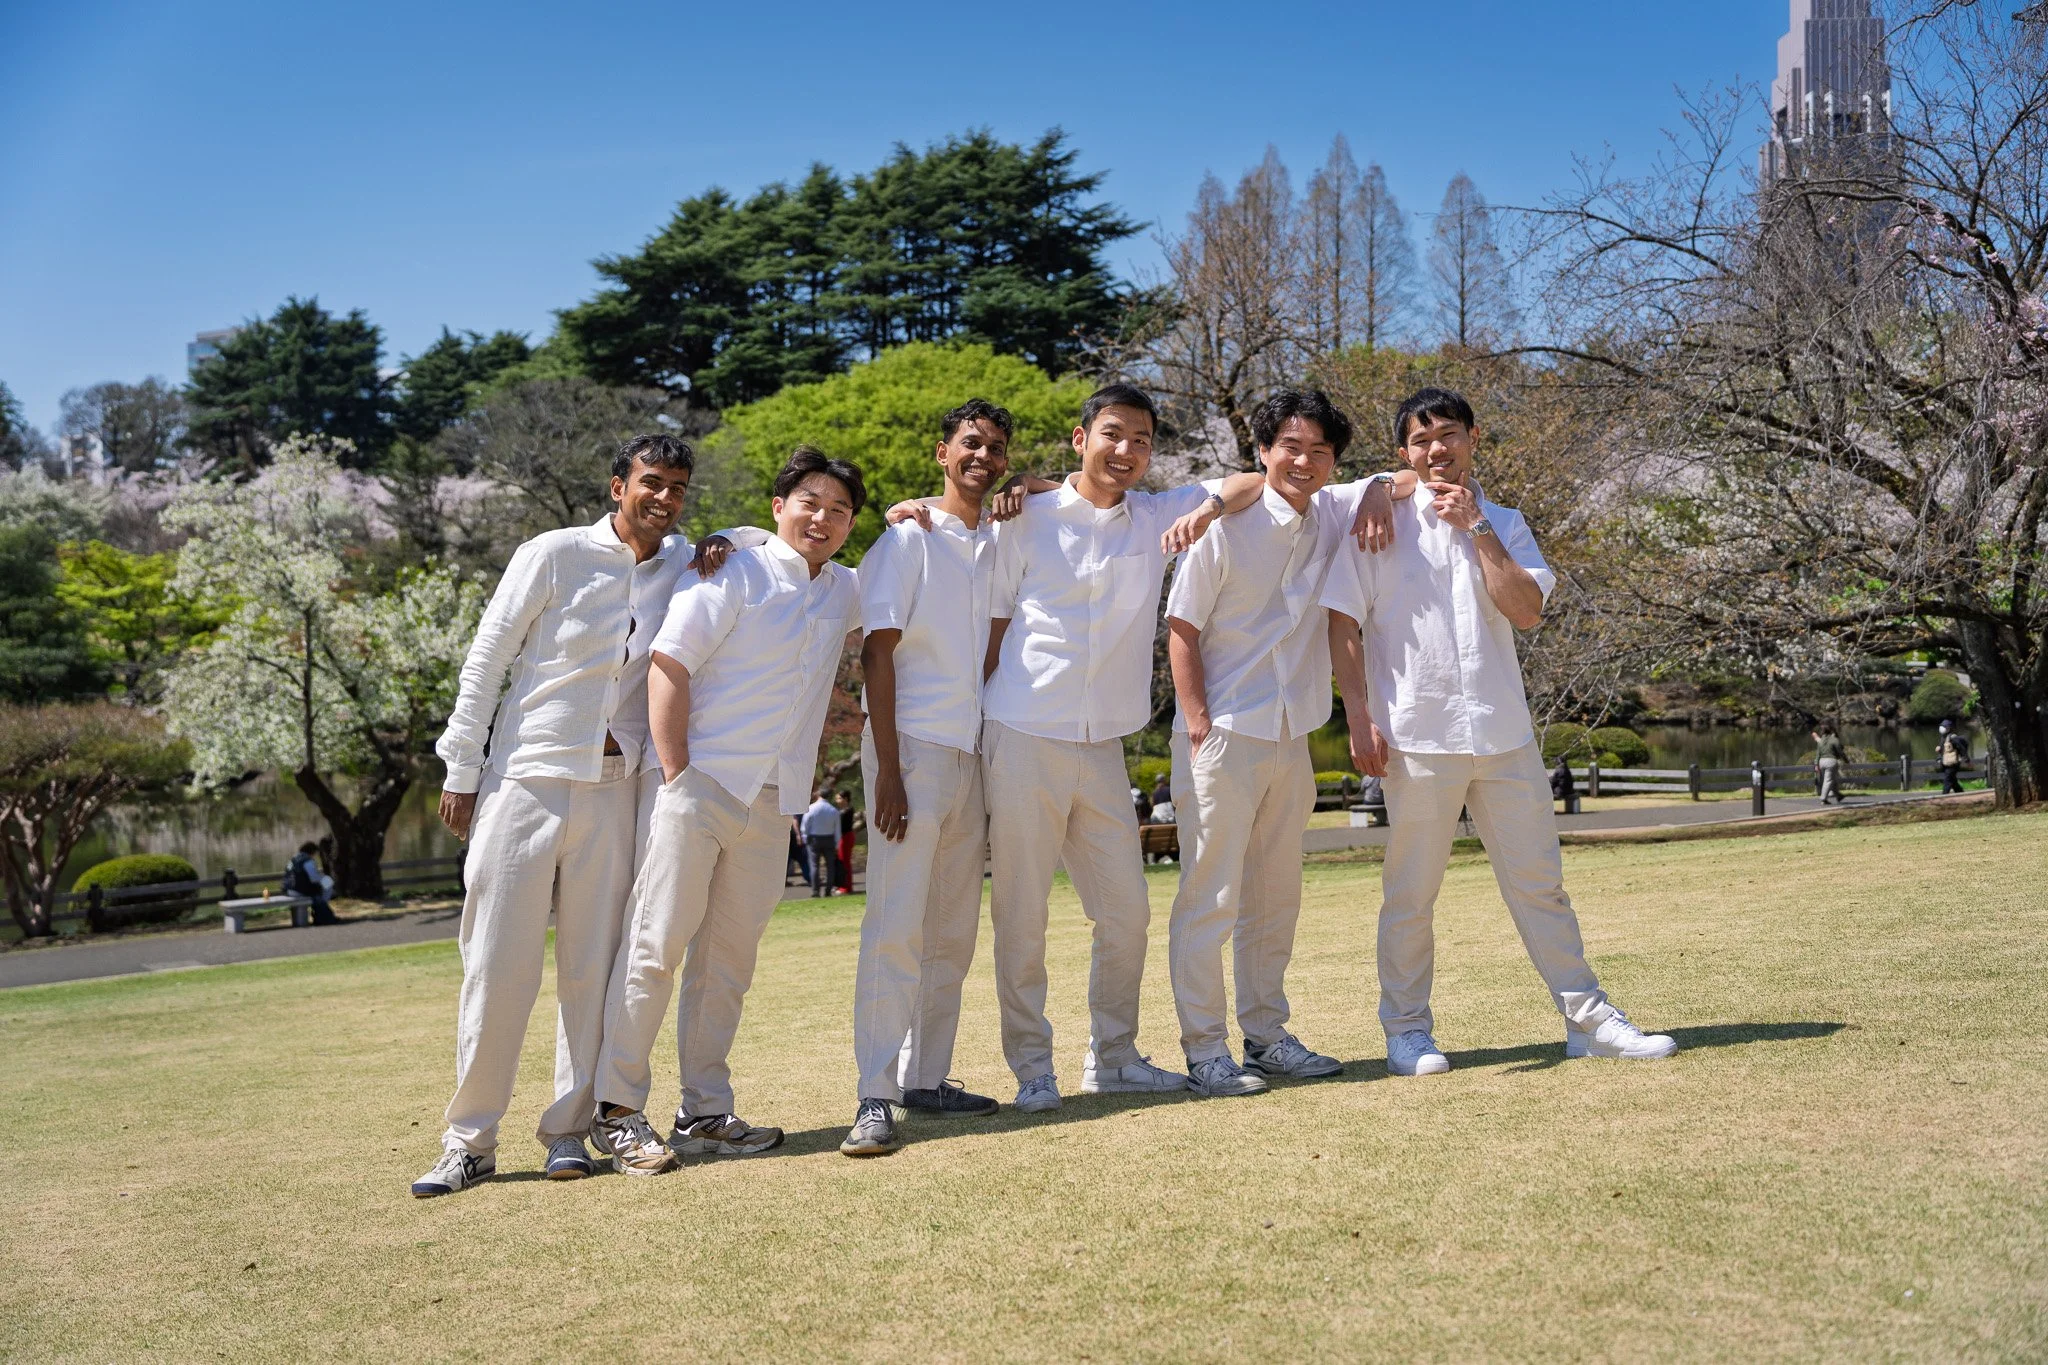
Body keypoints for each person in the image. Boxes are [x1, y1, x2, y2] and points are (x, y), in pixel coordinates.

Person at [410, 433, 754, 1198]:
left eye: (678, 489)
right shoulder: (553, 552)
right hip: (524, 778)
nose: (664, 498)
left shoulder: (686, 562)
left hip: (615, 789)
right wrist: (461, 767)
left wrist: (732, 538)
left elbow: (762, 546)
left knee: (591, 972)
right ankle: (469, 1141)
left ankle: (567, 1130)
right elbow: (487, 657)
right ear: (617, 486)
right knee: (497, 967)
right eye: (651, 483)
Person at [1322, 388, 1677, 1077]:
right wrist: (1359, 714)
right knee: (1411, 893)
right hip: (1416, 734)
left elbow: (1525, 610)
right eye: (1421, 442)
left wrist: (1476, 526)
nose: (1437, 451)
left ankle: (1589, 1020)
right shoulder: (1378, 522)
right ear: (1404, 453)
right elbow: (1342, 625)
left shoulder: (1506, 521)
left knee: (1540, 884)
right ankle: (1406, 1030)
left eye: (1448, 436)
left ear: (1474, 438)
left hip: (1503, 731)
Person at [978, 382, 1280, 1113]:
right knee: (1021, 913)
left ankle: (1112, 1057)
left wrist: (1206, 507)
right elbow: (990, 629)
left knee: (1126, 911)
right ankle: (1032, 1069)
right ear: (1080, 438)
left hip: (1102, 745)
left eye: (1141, 440)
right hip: (1021, 732)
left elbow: (1254, 480)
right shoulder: (1027, 516)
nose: (1127, 450)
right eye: (1112, 434)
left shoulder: (1156, 516)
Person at [590, 447, 864, 1175]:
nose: (823, 517)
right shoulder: (732, 567)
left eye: (839, 509)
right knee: (656, 947)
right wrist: (677, 772)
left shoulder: (842, 588)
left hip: (774, 799)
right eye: (809, 500)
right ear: (779, 506)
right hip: (700, 781)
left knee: (728, 963)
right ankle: (615, 1111)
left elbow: (908, 584)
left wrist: (911, 514)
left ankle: (704, 1112)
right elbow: (670, 662)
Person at [1163, 389, 1405, 1098]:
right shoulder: (1224, 526)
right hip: (1223, 734)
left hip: (1290, 732)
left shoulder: (1333, 509)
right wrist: (1198, 716)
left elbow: (1415, 474)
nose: (1304, 460)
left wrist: (1384, 489)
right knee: (1208, 896)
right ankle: (1206, 1050)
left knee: (1276, 896)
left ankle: (1266, 1037)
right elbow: (1181, 626)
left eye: (1320, 450)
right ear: (1264, 451)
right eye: (1290, 446)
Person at [840, 397, 1015, 1157]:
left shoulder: (1002, 539)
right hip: (909, 748)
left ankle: (926, 1078)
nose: (984, 456)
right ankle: (875, 1093)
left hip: (972, 752)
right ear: (941, 450)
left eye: (997, 448)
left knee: (951, 929)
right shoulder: (905, 540)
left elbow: (1050, 491)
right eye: (970, 443)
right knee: (896, 926)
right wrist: (885, 770)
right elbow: (877, 653)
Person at [284, 841, 335, 925]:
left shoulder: (292, 860)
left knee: (322, 886)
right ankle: (323, 910)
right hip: (300, 890)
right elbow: (314, 878)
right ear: (312, 852)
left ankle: (322, 909)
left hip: (289, 890)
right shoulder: (307, 860)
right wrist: (323, 878)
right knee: (328, 882)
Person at [802, 791, 840, 898]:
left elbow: (805, 825)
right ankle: (828, 890)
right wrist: (837, 844)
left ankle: (815, 890)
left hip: (814, 839)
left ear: (818, 796)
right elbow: (837, 829)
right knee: (830, 866)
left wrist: (805, 838)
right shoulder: (833, 810)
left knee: (814, 865)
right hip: (829, 838)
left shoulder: (811, 808)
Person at [1813, 722, 1846, 804]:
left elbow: (1818, 753)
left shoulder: (1821, 740)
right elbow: (1840, 752)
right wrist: (1846, 760)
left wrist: (1816, 764)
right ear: (1831, 731)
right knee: (1828, 780)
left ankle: (1838, 796)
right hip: (1831, 761)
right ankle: (1823, 799)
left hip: (1821, 762)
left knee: (1832, 780)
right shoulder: (1834, 740)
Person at [833, 791, 858, 894]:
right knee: (843, 861)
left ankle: (846, 887)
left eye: (839, 798)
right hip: (844, 837)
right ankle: (843, 885)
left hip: (846, 837)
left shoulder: (847, 810)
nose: (837, 801)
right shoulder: (842, 810)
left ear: (845, 799)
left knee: (844, 862)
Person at [1938, 719, 1968, 793]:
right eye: (1941, 726)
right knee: (1952, 780)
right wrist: (1939, 755)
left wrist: (1966, 759)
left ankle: (1944, 795)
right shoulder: (1943, 738)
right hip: (1945, 763)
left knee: (1947, 780)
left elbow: (1962, 748)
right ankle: (1960, 792)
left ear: (1948, 728)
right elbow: (1943, 751)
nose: (1941, 728)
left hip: (1953, 763)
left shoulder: (1953, 737)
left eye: (1944, 726)